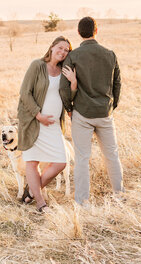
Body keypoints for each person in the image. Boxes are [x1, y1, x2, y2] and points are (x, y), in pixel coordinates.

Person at [59, 17, 123, 206]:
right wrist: (111, 106)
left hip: (82, 114)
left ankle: (82, 201)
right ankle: (119, 195)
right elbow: (117, 83)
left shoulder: (73, 56)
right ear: (97, 30)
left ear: (79, 32)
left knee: (82, 159)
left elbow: (64, 87)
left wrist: (69, 108)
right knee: (112, 155)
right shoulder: (110, 54)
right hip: (104, 113)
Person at [17, 36, 77, 212]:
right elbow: (25, 93)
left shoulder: (64, 71)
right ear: (51, 48)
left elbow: (68, 98)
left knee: (61, 162)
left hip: (53, 126)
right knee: (32, 162)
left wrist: (73, 82)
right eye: (60, 48)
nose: (63, 52)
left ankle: (31, 191)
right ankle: (40, 203)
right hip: (34, 122)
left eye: (67, 50)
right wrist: (38, 115)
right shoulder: (37, 66)